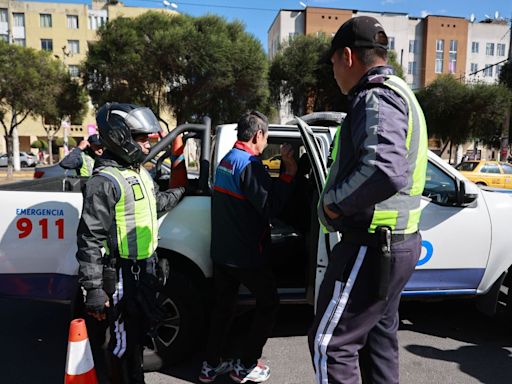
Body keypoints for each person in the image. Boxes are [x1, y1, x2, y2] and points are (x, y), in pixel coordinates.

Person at [308, 16, 428, 384]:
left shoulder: (376, 95)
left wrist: (334, 204)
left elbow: (386, 170)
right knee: (379, 344)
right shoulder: (402, 92)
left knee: (330, 344)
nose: (333, 73)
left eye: (331, 65)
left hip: (373, 242)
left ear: (347, 56)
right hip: (395, 244)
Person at [76, 103, 185, 384]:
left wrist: (180, 192)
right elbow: (89, 238)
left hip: (143, 273)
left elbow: (155, 203)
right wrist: (94, 290)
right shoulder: (104, 181)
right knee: (122, 346)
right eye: (141, 138)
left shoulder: (138, 172)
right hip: (123, 275)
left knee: (136, 339)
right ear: (119, 137)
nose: (148, 143)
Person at [199, 111, 297, 383]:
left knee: (224, 309)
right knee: (269, 304)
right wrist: (289, 174)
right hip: (247, 256)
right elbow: (270, 208)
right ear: (258, 135)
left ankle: (210, 365)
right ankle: (246, 364)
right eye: (266, 138)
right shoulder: (250, 165)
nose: (266, 143)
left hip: (222, 254)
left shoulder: (227, 160)